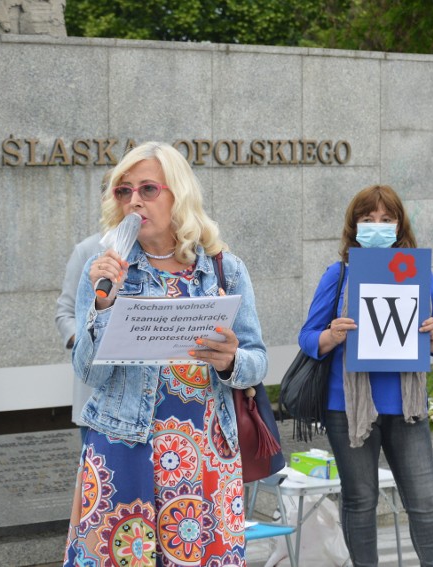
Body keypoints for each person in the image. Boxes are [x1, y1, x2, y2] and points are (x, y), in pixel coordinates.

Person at [63, 141, 268, 566]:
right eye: (123, 191)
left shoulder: (223, 269)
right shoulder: (103, 268)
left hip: (205, 452)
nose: (134, 200)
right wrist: (104, 307)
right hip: (124, 446)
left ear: (178, 194)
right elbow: (87, 372)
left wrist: (232, 362)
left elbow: (257, 360)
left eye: (147, 189)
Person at [298, 184, 433, 567]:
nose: (377, 226)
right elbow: (308, 337)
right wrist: (331, 335)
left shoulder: (417, 273)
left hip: (406, 408)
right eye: (368, 220)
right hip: (347, 408)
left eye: (386, 219)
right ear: (355, 226)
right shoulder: (339, 274)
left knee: (425, 501)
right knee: (360, 500)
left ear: (399, 226)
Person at [55, 231, 102, 442]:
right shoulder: (87, 249)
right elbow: (65, 314)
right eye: (121, 194)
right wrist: (89, 343)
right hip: (93, 399)